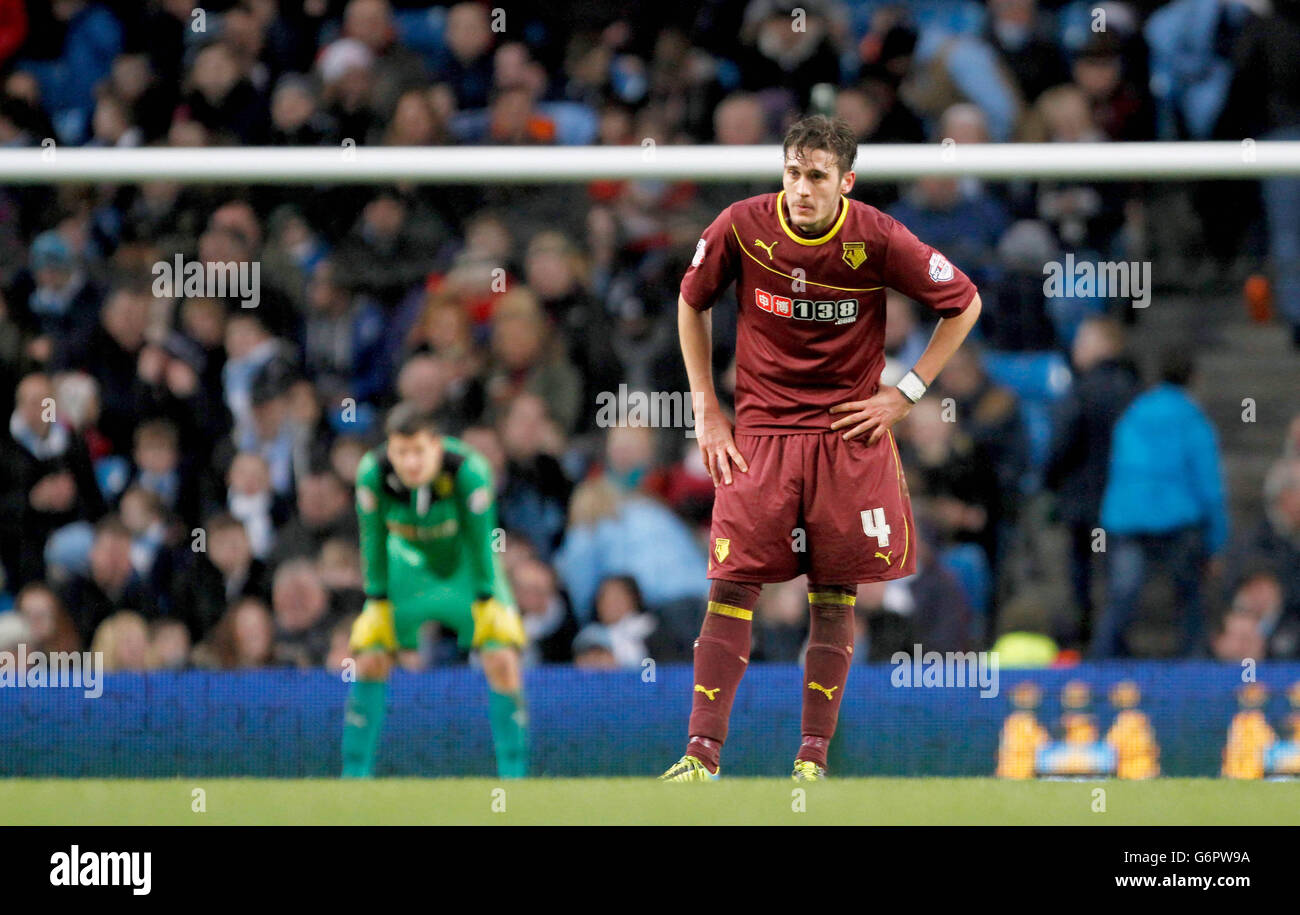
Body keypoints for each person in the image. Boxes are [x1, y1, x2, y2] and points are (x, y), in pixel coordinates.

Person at [660, 115, 982, 781]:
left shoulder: (876, 236)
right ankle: (701, 755)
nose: (800, 189)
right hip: (763, 435)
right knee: (729, 583)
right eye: (792, 172)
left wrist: (908, 389)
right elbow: (691, 303)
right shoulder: (742, 225)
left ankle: (811, 759)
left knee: (834, 593)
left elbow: (966, 301)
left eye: (816, 176)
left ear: (846, 181)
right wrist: (706, 410)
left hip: (845, 435)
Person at [342, 402, 529, 778]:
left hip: (465, 569)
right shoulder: (373, 474)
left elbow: (482, 540)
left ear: (437, 446)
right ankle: (354, 777)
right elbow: (372, 538)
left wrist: (485, 596)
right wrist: (376, 597)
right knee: (369, 660)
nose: (410, 463)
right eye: (400, 452)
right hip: (405, 569)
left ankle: (515, 776)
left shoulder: (469, 471)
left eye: (419, 452)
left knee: (502, 660)